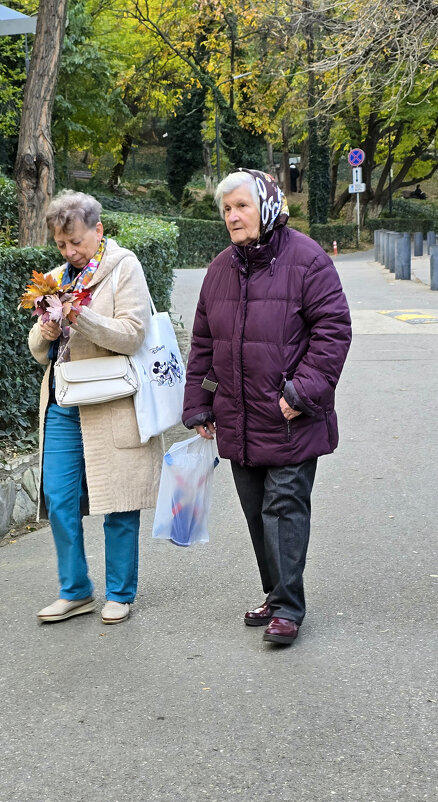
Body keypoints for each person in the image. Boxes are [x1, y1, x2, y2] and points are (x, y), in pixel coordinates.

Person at [182, 169, 352, 645]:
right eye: (226, 210)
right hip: (238, 416)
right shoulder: (220, 269)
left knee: (284, 508)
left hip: (290, 416)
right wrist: (199, 403)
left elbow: (334, 330)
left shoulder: (307, 259)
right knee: (258, 512)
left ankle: (289, 608)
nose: (233, 217)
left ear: (268, 206)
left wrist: (301, 393)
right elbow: (203, 343)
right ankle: (275, 594)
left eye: (242, 206)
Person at [28, 190, 162, 625]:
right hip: (64, 401)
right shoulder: (53, 278)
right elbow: (36, 349)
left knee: (119, 498)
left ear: (98, 230)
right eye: (62, 245)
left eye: (77, 242)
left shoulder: (124, 268)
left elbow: (133, 335)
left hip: (112, 400)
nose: (69, 252)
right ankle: (76, 589)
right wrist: (46, 330)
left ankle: (120, 593)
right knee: (59, 497)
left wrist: (78, 315)